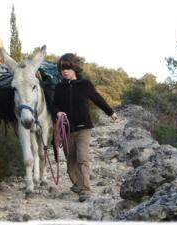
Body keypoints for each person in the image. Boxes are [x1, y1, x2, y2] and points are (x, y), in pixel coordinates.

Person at [53, 53, 117, 202]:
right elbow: (53, 105)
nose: (65, 71)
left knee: (82, 158)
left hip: (83, 129)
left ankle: (85, 190)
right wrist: (57, 112)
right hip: (66, 130)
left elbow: (97, 98)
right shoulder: (59, 87)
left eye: (68, 68)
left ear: (75, 68)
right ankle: (78, 184)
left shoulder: (85, 85)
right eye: (62, 68)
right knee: (71, 163)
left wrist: (110, 112)